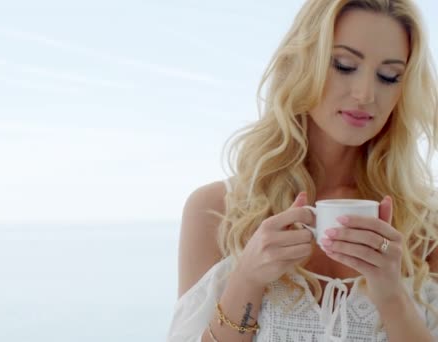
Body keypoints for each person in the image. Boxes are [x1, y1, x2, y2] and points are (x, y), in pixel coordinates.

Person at [167, 1, 438, 341]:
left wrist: (392, 296)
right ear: (302, 63)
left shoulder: (425, 225)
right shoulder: (216, 210)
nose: (365, 94)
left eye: (389, 76)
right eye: (344, 65)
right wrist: (247, 279)